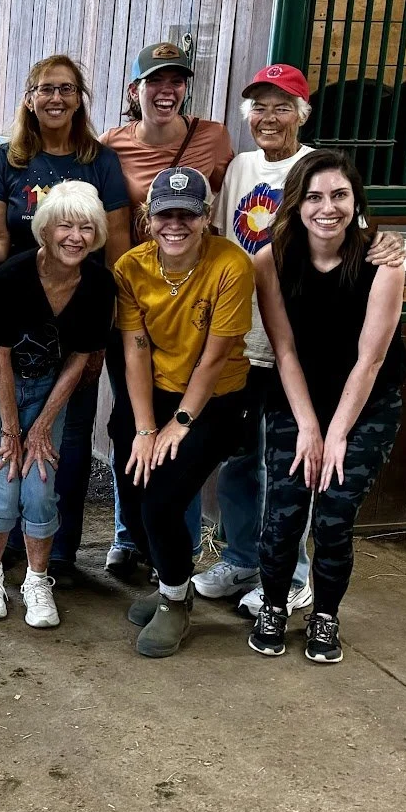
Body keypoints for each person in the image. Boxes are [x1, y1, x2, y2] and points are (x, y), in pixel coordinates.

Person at [193, 65, 405, 617]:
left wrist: (391, 248)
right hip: (250, 341)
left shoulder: (317, 173)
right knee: (244, 460)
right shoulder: (239, 167)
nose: (269, 117)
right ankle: (244, 558)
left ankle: (296, 578)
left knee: (302, 466)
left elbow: (358, 238)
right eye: (259, 107)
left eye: (282, 106)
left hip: (309, 357)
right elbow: (219, 239)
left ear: (301, 114)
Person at [0, 54, 129, 587]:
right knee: (12, 451)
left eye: (67, 89)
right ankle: (4, 554)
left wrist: (104, 335)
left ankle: (58, 557)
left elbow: (115, 248)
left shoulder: (100, 160)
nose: (55, 98)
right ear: (29, 98)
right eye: (45, 89)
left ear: (80, 99)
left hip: (78, 316)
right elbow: (0, 241)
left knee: (63, 448)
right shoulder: (11, 159)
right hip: (17, 307)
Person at [248, 150, 406, 663]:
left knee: (334, 517)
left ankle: (325, 616)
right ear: (296, 204)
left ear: (355, 200)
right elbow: (285, 349)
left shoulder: (382, 260)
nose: (327, 207)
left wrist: (335, 434)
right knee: (284, 513)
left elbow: (371, 358)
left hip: (366, 402)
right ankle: (273, 604)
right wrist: (308, 427)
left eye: (339, 195)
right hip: (295, 398)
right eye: (314, 196)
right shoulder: (270, 259)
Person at [101, 43, 235, 577]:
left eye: (176, 81)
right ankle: (128, 534)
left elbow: (249, 200)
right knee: (130, 422)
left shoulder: (215, 137)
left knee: (183, 426)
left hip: (194, 301)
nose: (166, 91)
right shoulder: (110, 146)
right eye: (155, 81)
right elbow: (108, 225)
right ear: (135, 90)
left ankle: (170, 545)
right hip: (135, 297)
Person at [111, 167, 253, 658]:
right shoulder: (131, 267)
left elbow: (215, 356)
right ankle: (174, 579)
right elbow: (135, 349)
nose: (175, 224)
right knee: (131, 488)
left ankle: (175, 600)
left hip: (215, 399)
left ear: (206, 217)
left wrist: (179, 424)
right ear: (148, 218)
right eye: (164, 214)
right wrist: (146, 427)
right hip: (154, 391)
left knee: (163, 500)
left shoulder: (231, 265)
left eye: (187, 214)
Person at [0, 182, 115, 627]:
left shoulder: (98, 284)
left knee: (41, 486)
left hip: (48, 384)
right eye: (65, 225)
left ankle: (36, 579)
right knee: (6, 477)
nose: (76, 237)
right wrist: (14, 432)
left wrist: (43, 425)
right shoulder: (11, 277)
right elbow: (0, 356)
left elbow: (80, 359)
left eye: (87, 228)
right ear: (46, 230)